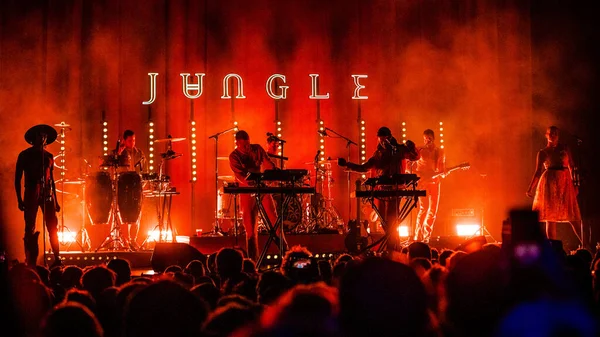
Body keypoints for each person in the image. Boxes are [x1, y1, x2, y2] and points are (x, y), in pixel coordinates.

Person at [338, 126, 420, 250]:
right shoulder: (378, 153)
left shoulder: (399, 149)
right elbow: (364, 167)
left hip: (395, 188)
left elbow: (415, 157)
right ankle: (393, 246)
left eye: (384, 139)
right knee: (384, 221)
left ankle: (392, 247)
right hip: (381, 189)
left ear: (390, 138)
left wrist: (412, 146)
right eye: (380, 139)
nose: (382, 142)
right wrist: (347, 164)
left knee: (392, 220)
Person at [15, 124, 61, 267]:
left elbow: (52, 179)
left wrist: (56, 200)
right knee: (30, 227)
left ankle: (57, 258)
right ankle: (30, 259)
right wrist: (19, 199)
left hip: (47, 192)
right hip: (31, 191)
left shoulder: (49, 156)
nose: (43, 138)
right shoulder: (24, 155)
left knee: (52, 225)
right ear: (34, 138)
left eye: (45, 136)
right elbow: (17, 178)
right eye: (40, 135)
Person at [229, 130, 279, 260]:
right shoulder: (234, 156)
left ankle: (285, 254)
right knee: (250, 228)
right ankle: (252, 260)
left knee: (274, 219)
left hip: (261, 188)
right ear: (237, 143)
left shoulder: (256, 149)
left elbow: (267, 163)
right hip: (246, 191)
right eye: (244, 145)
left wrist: (275, 173)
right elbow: (241, 176)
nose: (247, 147)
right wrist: (253, 184)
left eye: (248, 144)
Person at [527, 126, 581, 241]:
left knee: (573, 216)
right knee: (550, 217)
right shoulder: (543, 152)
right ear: (546, 135)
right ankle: (554, 248)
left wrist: (576, 184)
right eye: (551, 133)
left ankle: (586, 245)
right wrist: (530, 188)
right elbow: (537, 172)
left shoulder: (565, 148)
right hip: (549, 184)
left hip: (565, 182)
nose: (553, 135)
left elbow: (572, 166)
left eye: (556, 133)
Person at [412, 129, 446, 242]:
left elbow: (442, 169)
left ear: (433, 138)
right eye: (425, 138)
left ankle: (426, 239)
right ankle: (418, 237)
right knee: (423, 209)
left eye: (429, 138)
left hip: (435, 183)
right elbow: (408, 167)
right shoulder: (419, 150)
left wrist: (444, 173)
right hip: (423, 182)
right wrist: (418, 175)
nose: (427, 140)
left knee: (432, 211)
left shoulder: (440, 152)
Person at [115, 129, 146, 250]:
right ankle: (125, 240)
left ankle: (133, 240)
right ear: (124, 140)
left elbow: (144, 169)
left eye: (134, 140)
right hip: (124, 186)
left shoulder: (140, 153)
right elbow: (114, 167)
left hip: (136, 186)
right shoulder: (120, 153)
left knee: (136, 213)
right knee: (124, 214)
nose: (132, 142)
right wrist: (118, 152)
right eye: (129, 140)